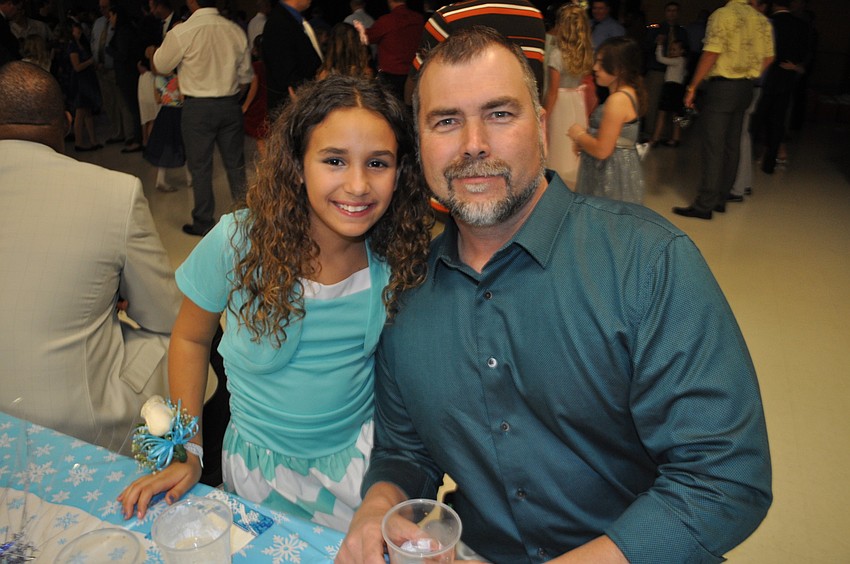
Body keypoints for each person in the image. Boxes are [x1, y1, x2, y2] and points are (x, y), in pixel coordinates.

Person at [337, 27, 771, 563]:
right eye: (446, 121)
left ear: (541, 125)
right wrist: (380, 504)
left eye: (499, 114)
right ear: (419, 144)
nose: (473, 143)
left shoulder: (648, 262)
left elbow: (725, 477)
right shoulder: (406, 296)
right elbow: (405, 451)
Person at [118, 75, 433, 531]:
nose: (359, 184)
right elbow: (189, 336)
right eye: (334, 160)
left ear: (401, 171)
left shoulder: (393, 256)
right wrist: (189, 451)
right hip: (256, 472)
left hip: (360, 473)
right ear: (296, 163)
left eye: (378, 163)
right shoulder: (237, 242)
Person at [0, 61, 181, 456]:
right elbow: (164, 315)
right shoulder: (113, 192)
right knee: (186, 337)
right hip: (69, 424)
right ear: (66, 123)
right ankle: (193, 458)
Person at [147, 0, 253, 236]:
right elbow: (246, 76)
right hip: (229, 104)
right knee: (235, 165)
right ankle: (246, 220)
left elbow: (161, 65)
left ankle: (204, 221)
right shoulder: (234, 30)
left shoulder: (183, 31)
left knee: (200, 166)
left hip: (197, 108)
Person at [673, 0, 773, 220]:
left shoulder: (723, 14)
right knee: (732, 144)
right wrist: (751, 72)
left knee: (714, 145)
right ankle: (720, 198)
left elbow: (711, 53)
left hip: (723, 87)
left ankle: (704, 205)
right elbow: (769, 56)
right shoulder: (760, 19)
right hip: (746, 87)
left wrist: (692, 87)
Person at [569, 36, 646, 204]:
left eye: (602, 63)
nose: (595, 68)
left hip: (609, 175)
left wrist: (579, 135)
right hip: (612, 170)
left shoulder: (618, 99)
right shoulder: (627, 94)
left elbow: (602, 150)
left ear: (619, 68)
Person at [543, 2, 594, 187]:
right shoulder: (584, 52)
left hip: (561, 105)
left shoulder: (556, 54)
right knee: (573, 149)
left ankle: (557, 186)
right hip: (577, 101)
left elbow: (553, 92)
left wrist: (544, 116)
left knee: (558, 146)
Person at [262, 0, 322, 117]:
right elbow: (285, 71)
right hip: (293, 108)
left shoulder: (294, 20)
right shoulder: (279, 23)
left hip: (302, 102)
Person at [356, 0, 423, 102]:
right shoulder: (418, 19)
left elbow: (366, 38)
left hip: (391, 76)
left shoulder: (387, 21)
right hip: (415, 74)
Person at [143, 70, 190, 192]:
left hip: (164, 113)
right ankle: (190, 177)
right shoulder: (178, 77)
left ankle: (161, 179)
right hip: (178, 113)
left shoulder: (157, 79)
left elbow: (157, 99)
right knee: (183, 143)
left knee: (166, 145)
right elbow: (182, 97)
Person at [67, 20, 102, 152]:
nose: (79, 32)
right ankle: (79, 142)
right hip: (80, 82)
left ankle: (93, 140)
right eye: (77, 30)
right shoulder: (72, 47)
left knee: (87, 112)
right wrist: (90, 62)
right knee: (81, 112)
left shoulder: (80, 44)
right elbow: (77, 67)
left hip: (86, 81)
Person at [649, 38, 686, 147]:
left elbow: (660, 59)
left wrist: (659, 45)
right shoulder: (683, 61)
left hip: (670, 87)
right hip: (679, 88)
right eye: (670, 49)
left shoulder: (678, 60)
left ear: (682, 51)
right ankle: (675, 138)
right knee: (676, 114)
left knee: (662, 113)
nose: (671, 52)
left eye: (674, 50)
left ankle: (655, 138)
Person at [242, 34, 269, 154]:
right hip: (271, 101)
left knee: (261, 138)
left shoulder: (255, 67)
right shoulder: (273, 65)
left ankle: (267, 166)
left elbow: (254, 86)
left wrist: (246, 105)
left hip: (259, 104)